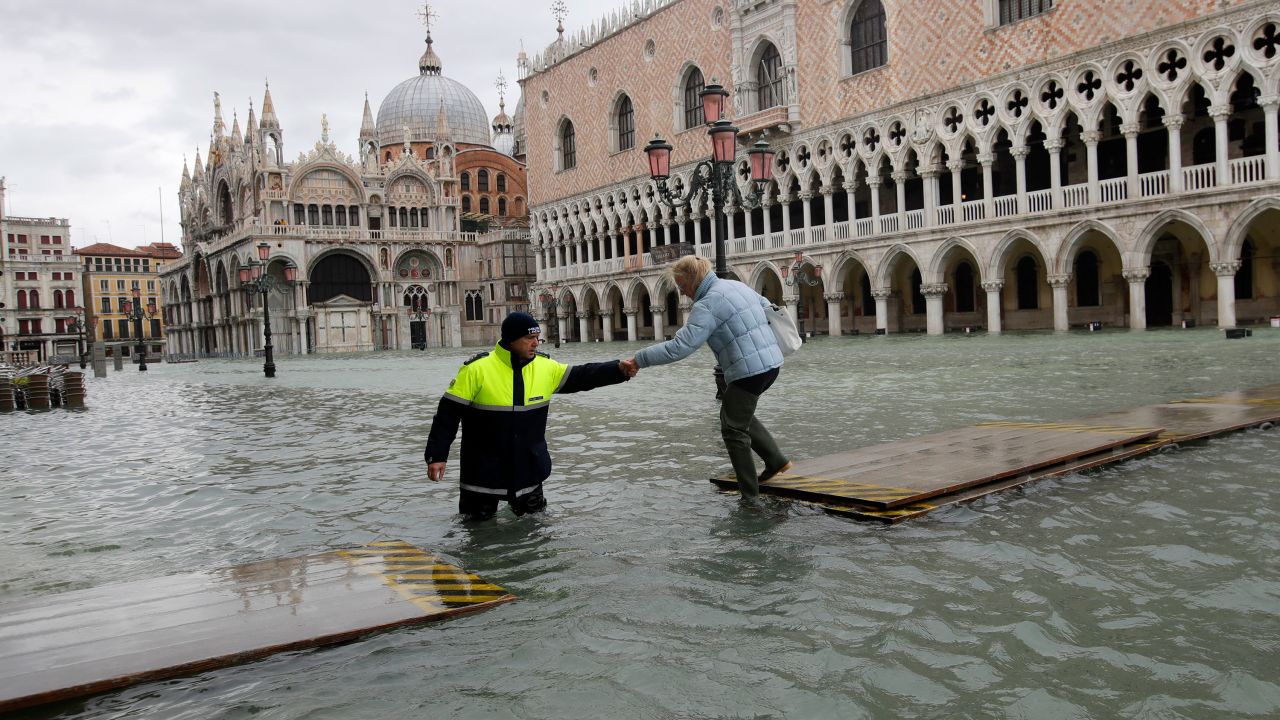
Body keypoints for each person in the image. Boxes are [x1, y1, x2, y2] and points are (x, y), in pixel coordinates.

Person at [425, 311, 635, 520]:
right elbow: (447, 415)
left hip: (529, 471)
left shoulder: (546, 367)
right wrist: (437, 456)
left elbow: (584, 375)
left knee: (536, 534)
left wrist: (618, 370)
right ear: (511, 340)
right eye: (529, 338)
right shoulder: (476, 370)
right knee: (476, 536)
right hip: (482, 473)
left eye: (537, 338)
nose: (536, 343)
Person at [627, 256, 790, 498]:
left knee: (733, 429)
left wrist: (638, 359)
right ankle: (775, 461)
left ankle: (749, 496)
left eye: (682, 286)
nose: (682, 293)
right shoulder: (736, 285)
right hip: (771, 364)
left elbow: (680, 347)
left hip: (750, 371)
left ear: (693, 280)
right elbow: (767, 305)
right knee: (735, 413)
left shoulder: (707, 304)